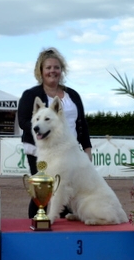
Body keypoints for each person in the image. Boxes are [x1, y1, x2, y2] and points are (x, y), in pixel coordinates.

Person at [17, 47, 92, 219]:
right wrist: (42, 129)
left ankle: (60, 231)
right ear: (41, 71)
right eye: (48, 67)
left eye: (56, 67)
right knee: (42, 189)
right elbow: (23, 121)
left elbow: (82, 124)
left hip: (68, 149)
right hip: (41, 150)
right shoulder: (30, 95)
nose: (53, 71)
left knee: (64, 188)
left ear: (62, 70)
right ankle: (37, 222)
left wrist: (87, 149)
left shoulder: (72, 95)